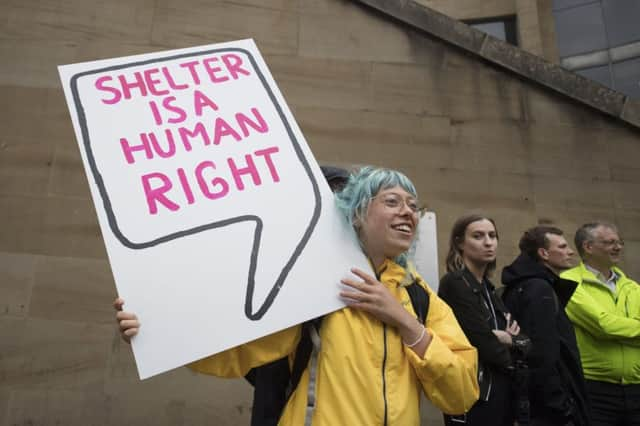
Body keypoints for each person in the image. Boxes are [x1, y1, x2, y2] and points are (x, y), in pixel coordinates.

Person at [115, 166, 479, 425]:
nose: (408, 212)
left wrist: (404, 322)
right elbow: (235, 349)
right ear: (357, 214)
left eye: (413, 205)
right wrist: (157, 327)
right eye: (392, 201)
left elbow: (462, 392)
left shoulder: (420, 298)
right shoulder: (316, 287)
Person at [438, 213, 530, 426]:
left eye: (492, 235)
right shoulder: (455, 283)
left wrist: (509, 340)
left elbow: (526, 342)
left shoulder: (490, 290)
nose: (488, 242)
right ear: (460, 243)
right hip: (474, 394)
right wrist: (510, 347)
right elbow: (483, 342)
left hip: (501, 392)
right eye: (478, 236)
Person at [501, 225, 591, 425]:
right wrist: (561, 407)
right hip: (549, 411)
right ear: (544, 253)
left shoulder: (529, 285)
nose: (570, 252)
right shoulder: (538, 289)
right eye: (562, 246)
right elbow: (542, 352)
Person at [561, 222, 640, 426]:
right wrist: (629, 329)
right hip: (594, 388)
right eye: (610, 242)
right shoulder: (568, 282)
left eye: (619, 242)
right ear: (588, 247)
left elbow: (610, 326)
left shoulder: (632, 287)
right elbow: (603, 325)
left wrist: (620, 329)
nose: (618, 247)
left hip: (636, 388)